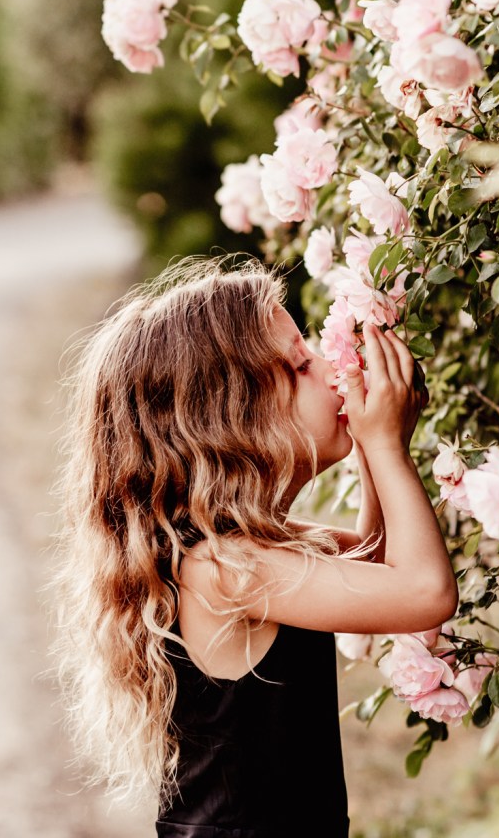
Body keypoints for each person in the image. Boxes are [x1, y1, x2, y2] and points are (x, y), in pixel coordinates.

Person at [53, 257, 458, 838]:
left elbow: (375, 562)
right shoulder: (225, 568)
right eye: (300, 364)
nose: (329, 369)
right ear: (230, 420)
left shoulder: (245, 550)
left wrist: (376, 446)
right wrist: (387, 448)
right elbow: (424, 591)